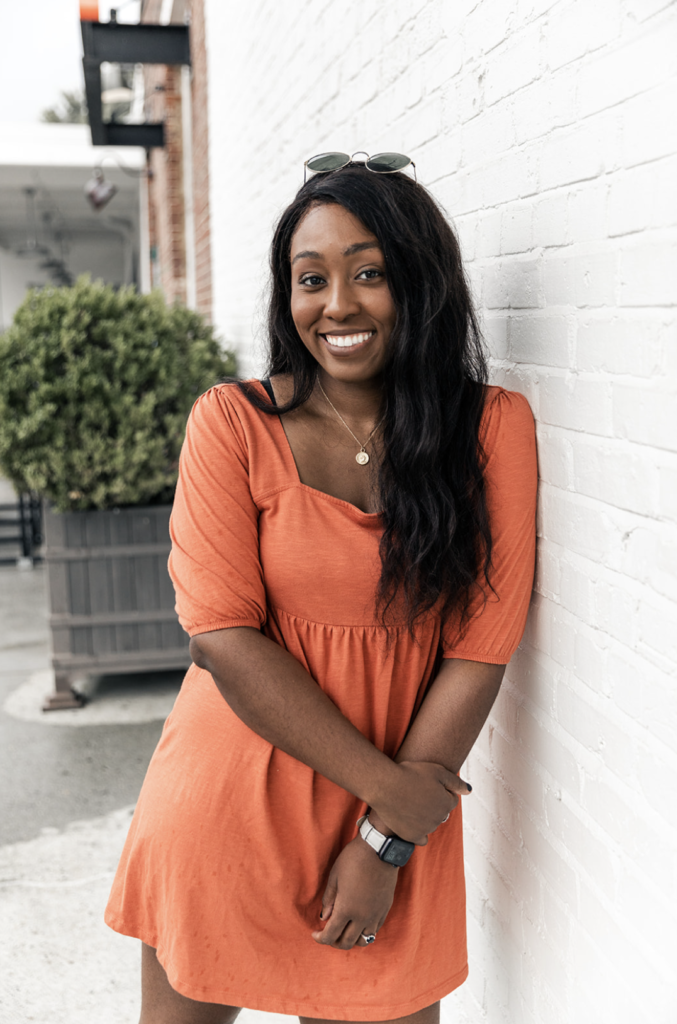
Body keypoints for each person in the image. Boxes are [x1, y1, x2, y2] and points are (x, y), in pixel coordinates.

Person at [105, 155, 537, 1024]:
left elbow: (481, 645)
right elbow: (221, 638)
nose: (335, 305)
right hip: (226, 806)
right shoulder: (231, 425)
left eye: (368, 273)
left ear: (419, 283)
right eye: (310, 279)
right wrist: (396, 789)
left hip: (391, 825)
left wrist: (386, 837)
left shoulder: (491, 429)